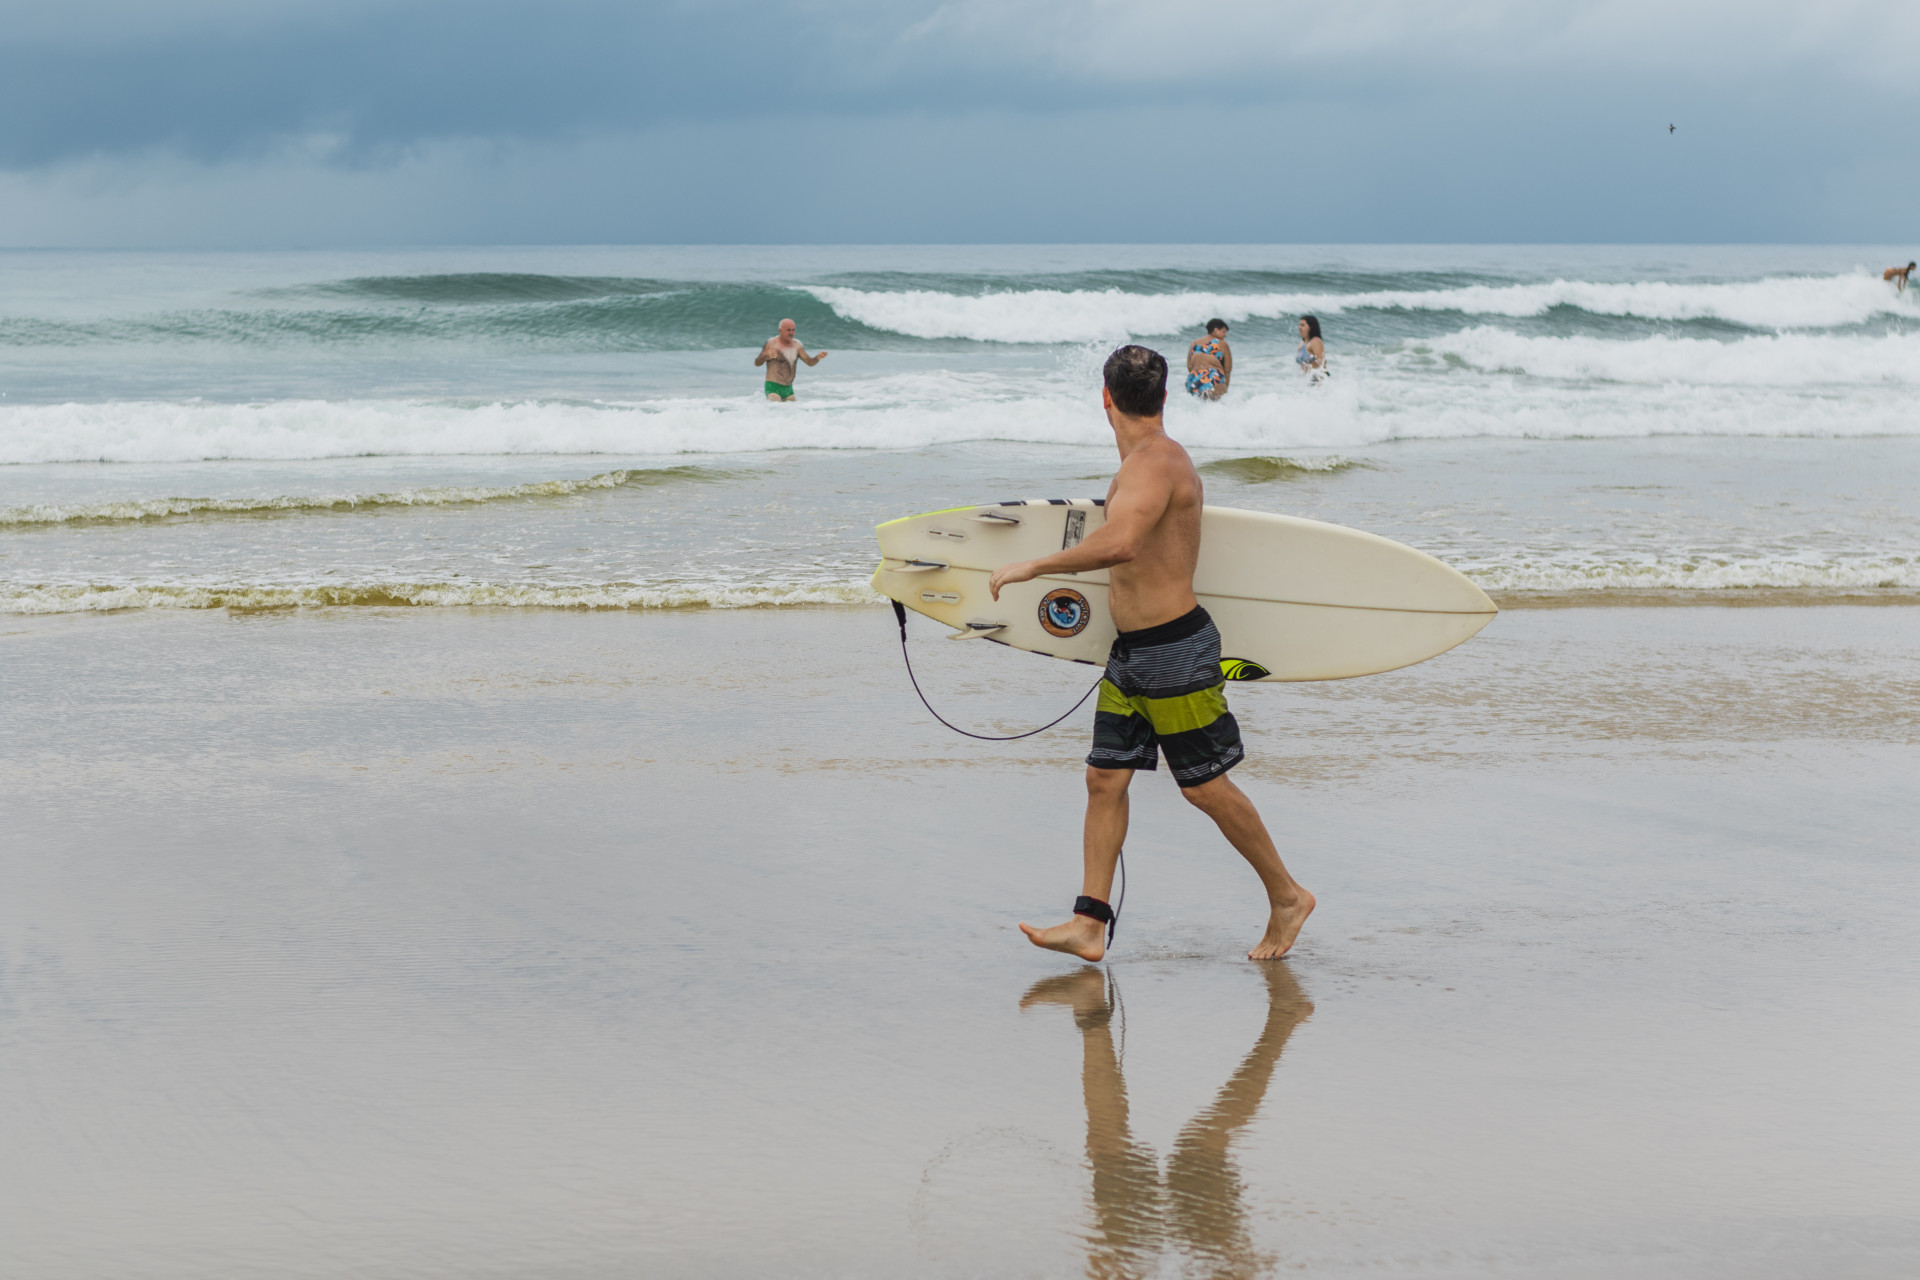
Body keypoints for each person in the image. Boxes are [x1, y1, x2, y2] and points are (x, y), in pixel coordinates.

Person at [988, 345, 1315, 962]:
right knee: (1104, 778)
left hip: (1174, 649)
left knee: (1204, 787)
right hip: (1133, 652)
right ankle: (1089, 922)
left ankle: (1288, 895)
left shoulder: (1155, 465)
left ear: (1105, 399)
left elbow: (1124, 542)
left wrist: (1035, 563)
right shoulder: (1151, 463)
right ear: (1163, 398)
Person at [753, 318, 826, 401]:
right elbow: (757, 363)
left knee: (793, 411)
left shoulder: (796, 345)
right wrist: (767, 355)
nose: (791, 333)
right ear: (780, 330)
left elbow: (809, 362)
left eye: (793, 330)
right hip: (773, 386)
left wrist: (818, 357)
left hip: (788, 389)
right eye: (788, 330)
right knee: (776, 409)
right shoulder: (771, 343)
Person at [1185, 318, 1233, 399]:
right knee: (1215, 408)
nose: (1225, 335)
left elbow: (1190, 366)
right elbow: (1227, 370)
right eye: (1223, 332)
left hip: (1194, 378)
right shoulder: (1222, 344)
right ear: (1216, 330)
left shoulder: (1195, 343)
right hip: (1213, 378)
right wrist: (1225, 388)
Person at [1295, 315, 1326, 381]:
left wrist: (1321, 383)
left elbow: (1322, 363)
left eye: (1303, 325)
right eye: (1299, 325)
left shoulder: (1315, 341)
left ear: (1311, 327)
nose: (1299, 327)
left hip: (1316, 380)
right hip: (1306, 381)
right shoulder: (1301, 344)